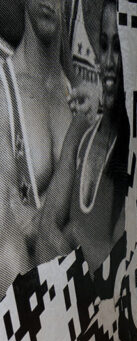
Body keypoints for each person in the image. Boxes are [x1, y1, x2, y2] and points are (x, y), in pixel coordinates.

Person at [37, 0, 129, 272]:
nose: (108, 62)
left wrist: (74, 232)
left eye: (120, 49)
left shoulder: (136, 155)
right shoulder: (81, 134)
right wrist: (82, 251)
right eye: (104, 45)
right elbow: (44, 233)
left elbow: (115, 274)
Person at [0, 0, 72, 293]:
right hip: (27, 311)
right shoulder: (4, 91)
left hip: (82, 304)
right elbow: (5, 238)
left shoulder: (80, 99)